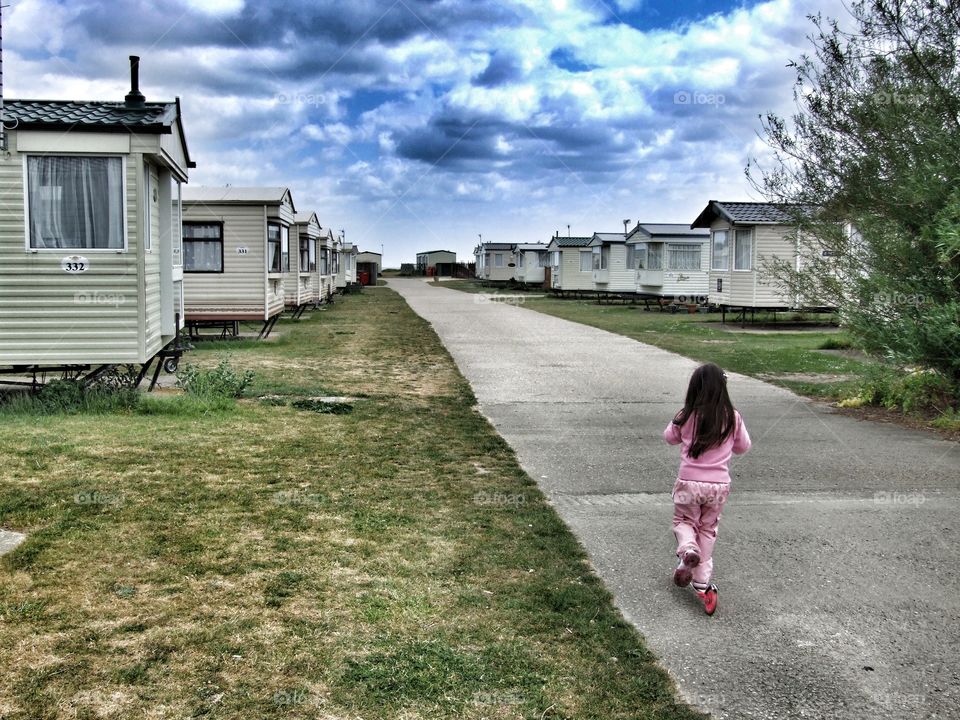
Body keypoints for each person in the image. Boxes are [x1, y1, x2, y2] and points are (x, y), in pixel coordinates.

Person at [663, 362, 751, 615]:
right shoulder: (732, 417)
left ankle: (688, 550)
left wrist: (681, 422)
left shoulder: (686, 414)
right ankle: (702, 582)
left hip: (688, 483)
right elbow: (743, 447)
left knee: (683, 521)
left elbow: (669, 437)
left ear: (694, 388)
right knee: (708, 528)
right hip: (718, 486)